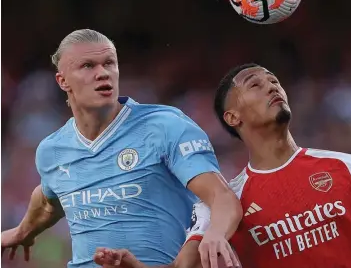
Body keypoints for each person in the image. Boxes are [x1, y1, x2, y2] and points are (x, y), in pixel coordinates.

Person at [93, 63, 351, 268]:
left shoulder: (350, 168)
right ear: (232, 117)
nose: (272, 87)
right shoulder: (225, 203)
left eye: (274, 80)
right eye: (255, 84)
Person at [1, 29, 242, 268]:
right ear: (63, 81)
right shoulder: (52, 150)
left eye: (109, 63)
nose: (102, 73)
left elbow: (221, 196)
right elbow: (47, 200)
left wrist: (216, 233)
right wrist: (21, 232)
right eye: (87, 66)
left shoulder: (164, 125)